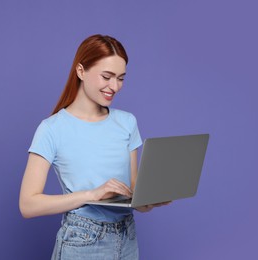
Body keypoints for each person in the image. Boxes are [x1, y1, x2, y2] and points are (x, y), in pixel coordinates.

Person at [19, 34, 168, 260]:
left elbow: (133, 190)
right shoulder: (52, 129)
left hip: (127, 236)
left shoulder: (127, 122)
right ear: (81, 71)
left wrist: (148, 201)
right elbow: (28, 205)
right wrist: (91, 194)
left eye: (121, 78)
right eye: (106, 76)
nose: (114, 87)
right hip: (83, 241)